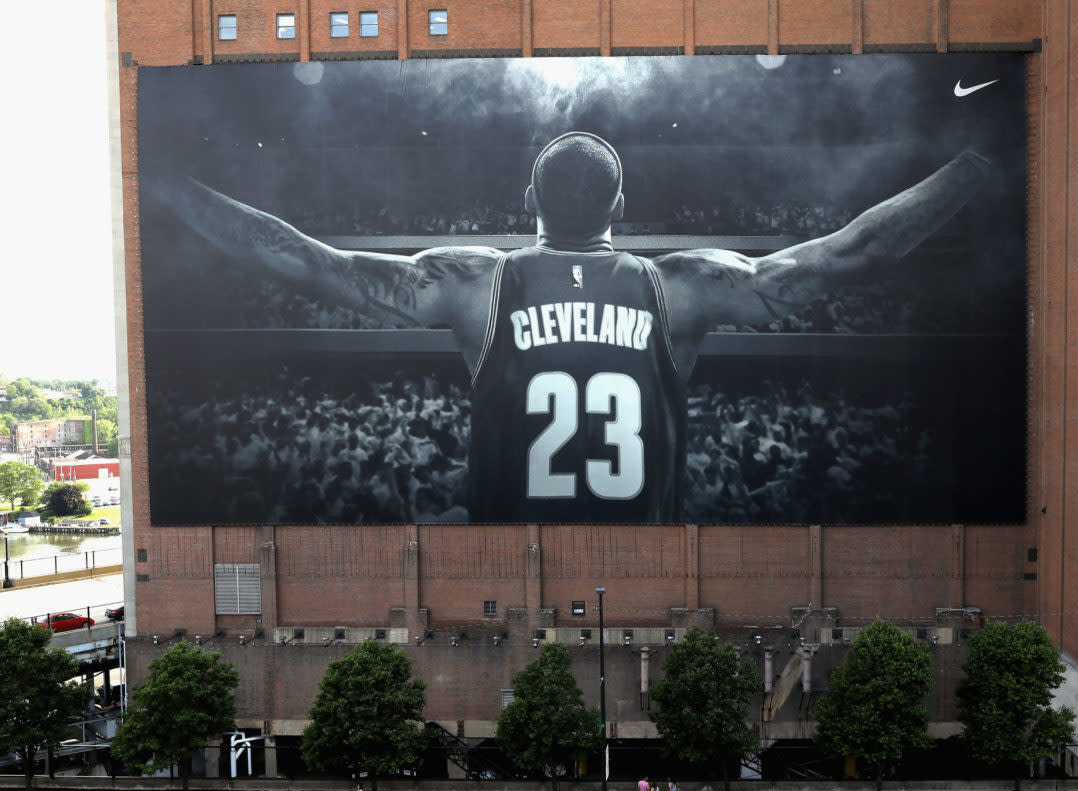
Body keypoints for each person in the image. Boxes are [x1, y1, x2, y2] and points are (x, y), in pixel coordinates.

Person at [157, 133, 989, 524]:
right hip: (645, 570)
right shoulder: (682, 286)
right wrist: (979, 166)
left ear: (529, 206)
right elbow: (853, 254)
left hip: (509, 571)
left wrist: (170, 180)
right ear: (622, 208)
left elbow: (298, 258)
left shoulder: (477, 281)